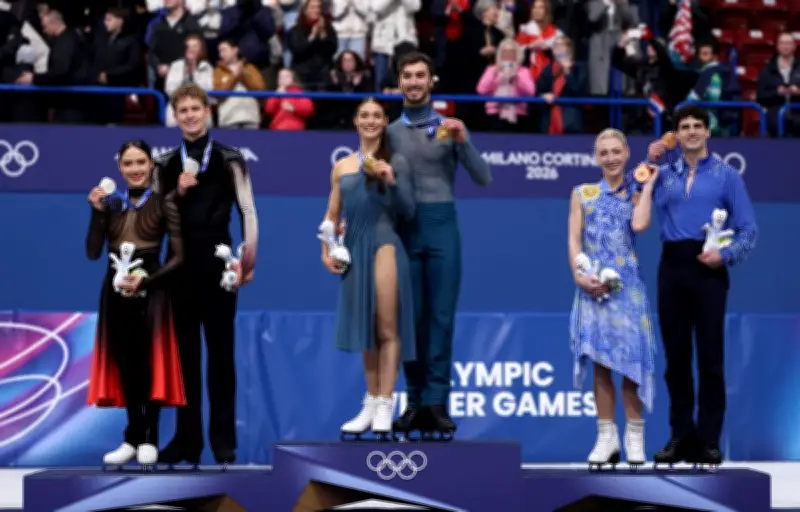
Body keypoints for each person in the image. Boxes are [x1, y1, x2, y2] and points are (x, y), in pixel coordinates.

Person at [639, 105, 758, 467]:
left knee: (710, 359)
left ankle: (708, 440)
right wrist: (648, 159)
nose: (691, 131)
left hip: (709, 269)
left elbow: (749, 230)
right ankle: (680, 437)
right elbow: (632, 194)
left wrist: (726, 256)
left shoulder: (726, 177)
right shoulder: (663, 174)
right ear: (675, 133)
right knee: (675, 360)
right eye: (684, 126)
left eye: (697, 126)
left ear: (707, 132)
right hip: (671, 266)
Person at [386, 52, 493, 440]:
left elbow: (484, 177)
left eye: (420, 76)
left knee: (441, 320)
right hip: (405, 231)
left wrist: (464, 142)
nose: (413, 82)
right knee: (410, 322)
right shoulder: (389, 131)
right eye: (407, 76)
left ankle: (437, 403)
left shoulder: (450, 127)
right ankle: (414, 403)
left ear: (432, 81)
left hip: (443, 226)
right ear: (399, 83)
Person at [154, 83, 259, 468]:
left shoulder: (231, 157)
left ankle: (223, 442)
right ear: (175, 116)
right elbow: (153, 219)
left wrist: (247, 260)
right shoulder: (164, 164)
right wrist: (176, 193)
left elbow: (248, 210)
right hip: (177, 268)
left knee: (220, 357)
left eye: (195, 109)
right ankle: (186, 441)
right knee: (183, 360)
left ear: (207, 111)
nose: (190, 116)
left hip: (219, 266)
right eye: (182, 111)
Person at [85, 140, 186, 469]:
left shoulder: (164, 204)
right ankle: (132, 436)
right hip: (114, 290)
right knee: (125, 365)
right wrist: (96, 212)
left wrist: (147, 280)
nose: (135, 169)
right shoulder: (110, 204)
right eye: (128, 163)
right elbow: (92, 251)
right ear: (120, 168)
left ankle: (149, 437)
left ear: (151, 166)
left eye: (141, 162)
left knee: (148, 363)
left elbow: (179, 257)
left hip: (152, 290)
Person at [321, 98, 417, 439]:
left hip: (385, 244)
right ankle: (371, 400)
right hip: (354, 249)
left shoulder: (398, 162)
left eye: (377, 115)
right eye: (365, 115)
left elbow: (408, 211)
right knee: (365, 329)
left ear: (386, 121)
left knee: (386, 328)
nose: (371, 120)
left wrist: (390, 179)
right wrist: (326, 249)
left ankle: (385, 403)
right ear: (355, 121)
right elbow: (332, 217)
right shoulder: (342, 166)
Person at [568, 129, 655, 469]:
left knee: (631, 364)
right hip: (592, 286)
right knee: (602, 364)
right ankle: (607, 439)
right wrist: (579, 274)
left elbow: (642, 224)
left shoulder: (636, 191)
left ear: (627, 153)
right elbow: (574, 240)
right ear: (596, 157)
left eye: (616, 151)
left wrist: (646, 187)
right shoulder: (582, 193)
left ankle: (635, 438)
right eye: (604, 152)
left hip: (628, 288)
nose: (611, 158)